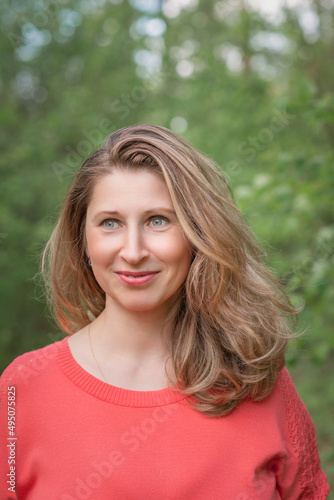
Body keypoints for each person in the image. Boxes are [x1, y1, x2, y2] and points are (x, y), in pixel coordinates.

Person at [0, 124, 329, 499]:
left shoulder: (257, 381)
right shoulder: (21, 390)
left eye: (158, 220)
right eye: (111, 223)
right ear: (83, 239)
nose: (134, 251)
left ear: (197, 233)